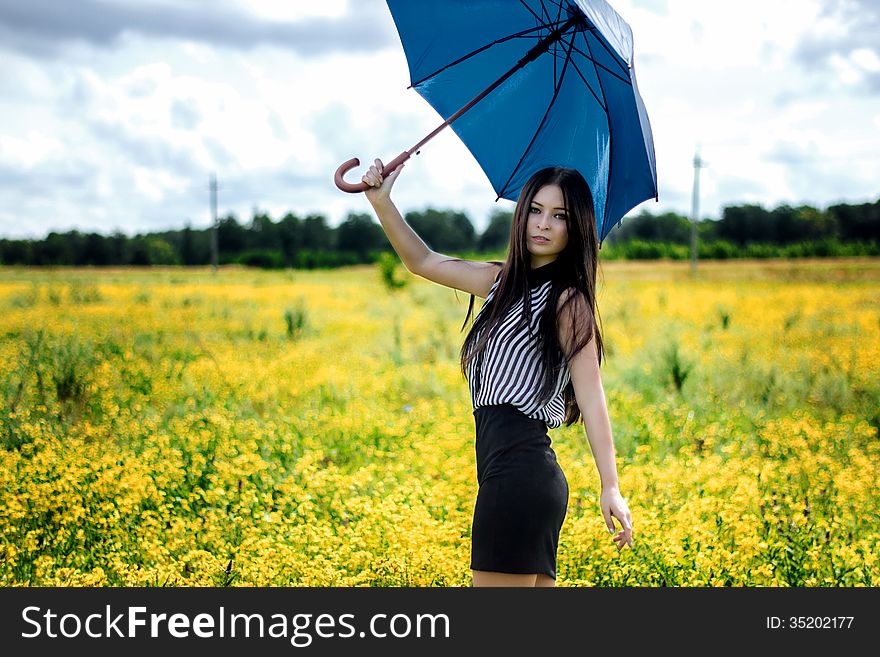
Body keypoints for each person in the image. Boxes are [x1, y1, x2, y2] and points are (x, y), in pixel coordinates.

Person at [360, 159, 633, 588]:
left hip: (519, 478)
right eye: (536, 210)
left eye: (559, 216)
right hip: (512, 477)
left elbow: (593, 397)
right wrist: (381, 202)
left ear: (576, 227)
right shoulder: (498, 281)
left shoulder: (567, 301)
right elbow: (423, 261)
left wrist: (610, 485)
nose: (543, 224)